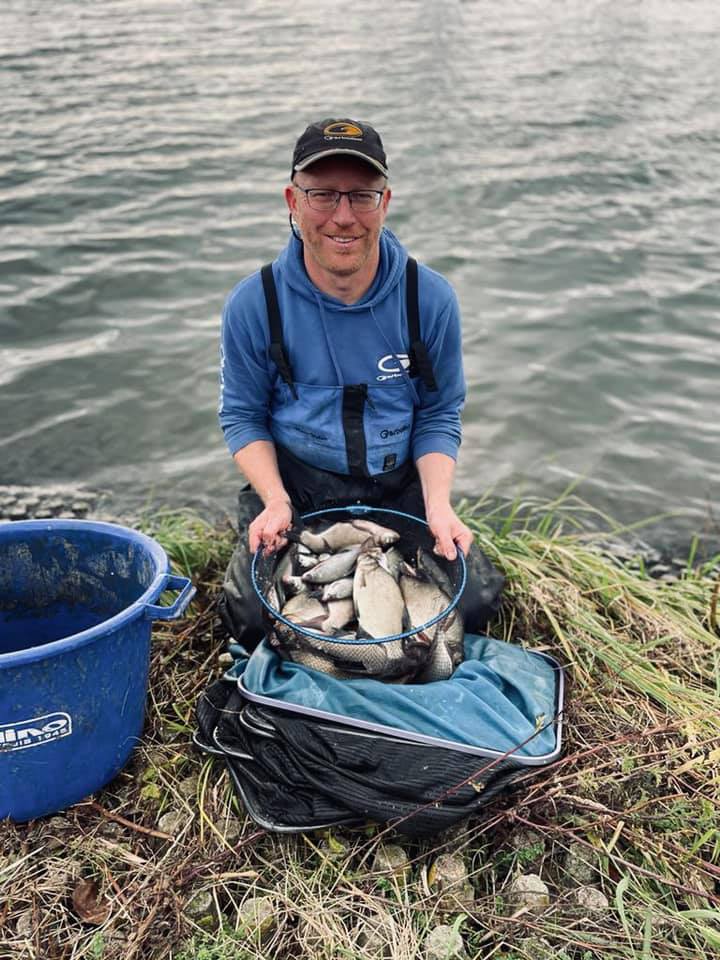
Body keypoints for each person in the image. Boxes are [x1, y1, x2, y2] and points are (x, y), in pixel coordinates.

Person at [217, 118, 503, 648]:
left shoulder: (430, 299)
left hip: (399, 487)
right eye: (322, 195)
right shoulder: (255, 303)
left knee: (478, 602)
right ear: (292, 201)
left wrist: (438, 506)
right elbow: (242, 415)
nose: (343, 217)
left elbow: (439, 414)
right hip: (297, 487)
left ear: (385, 202)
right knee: (252, 619)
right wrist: (275, 501)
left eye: (362, 196)